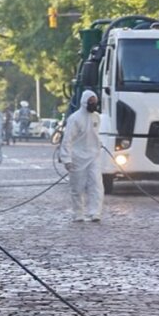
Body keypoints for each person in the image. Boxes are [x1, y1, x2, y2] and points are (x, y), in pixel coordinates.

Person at [59, 90, 104, 222]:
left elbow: (95, 134)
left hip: (94, 156)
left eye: (95, 102)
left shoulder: (97, 117)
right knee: (77, 187)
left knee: (96, 184)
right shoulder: (74, 118)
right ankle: (78, 213)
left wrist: (99, 144)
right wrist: (66, 159)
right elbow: (67, 139)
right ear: (84, 102)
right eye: (91, 102)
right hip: (77, 157)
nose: (93, 104)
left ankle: (95, 212)